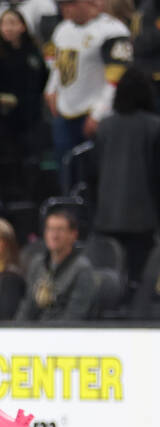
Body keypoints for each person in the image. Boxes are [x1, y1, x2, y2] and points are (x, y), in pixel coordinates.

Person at [91, 67, 160, 295]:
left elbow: (94, 171)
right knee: (139, 276)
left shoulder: (105, 126)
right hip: (143, 216)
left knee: (111, 274)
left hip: (107, 214)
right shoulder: (154, 126)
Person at [45, 0, 133, 176]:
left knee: (98, 173)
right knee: (66, 168)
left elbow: (117, 79)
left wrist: (98, 114)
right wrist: (51, 89)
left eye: (71, 4)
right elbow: (58, 64)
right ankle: (69, 201)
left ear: (89, 3)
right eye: (62, 5)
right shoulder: (62, 29)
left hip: (97, 114)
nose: (65, 9)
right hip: (65, 110)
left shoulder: (113, 31)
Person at [0, 8, 49, 204]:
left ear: (23, 26)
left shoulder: (34, 52)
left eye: (13, 23)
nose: (8, 28)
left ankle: (31, 203)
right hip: (2, 122)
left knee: (32, 164)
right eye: (4, 23)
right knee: (6, 165)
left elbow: (43, 79)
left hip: (31, 119)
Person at [16, 208, 97, 320]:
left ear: (73, 235)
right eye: (50, 229)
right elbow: (27, 307)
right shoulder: (37, 264)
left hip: (63, 334)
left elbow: (75, 316)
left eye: (60, 230)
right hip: (35, 332)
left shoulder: (82, 269)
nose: (54, 235)